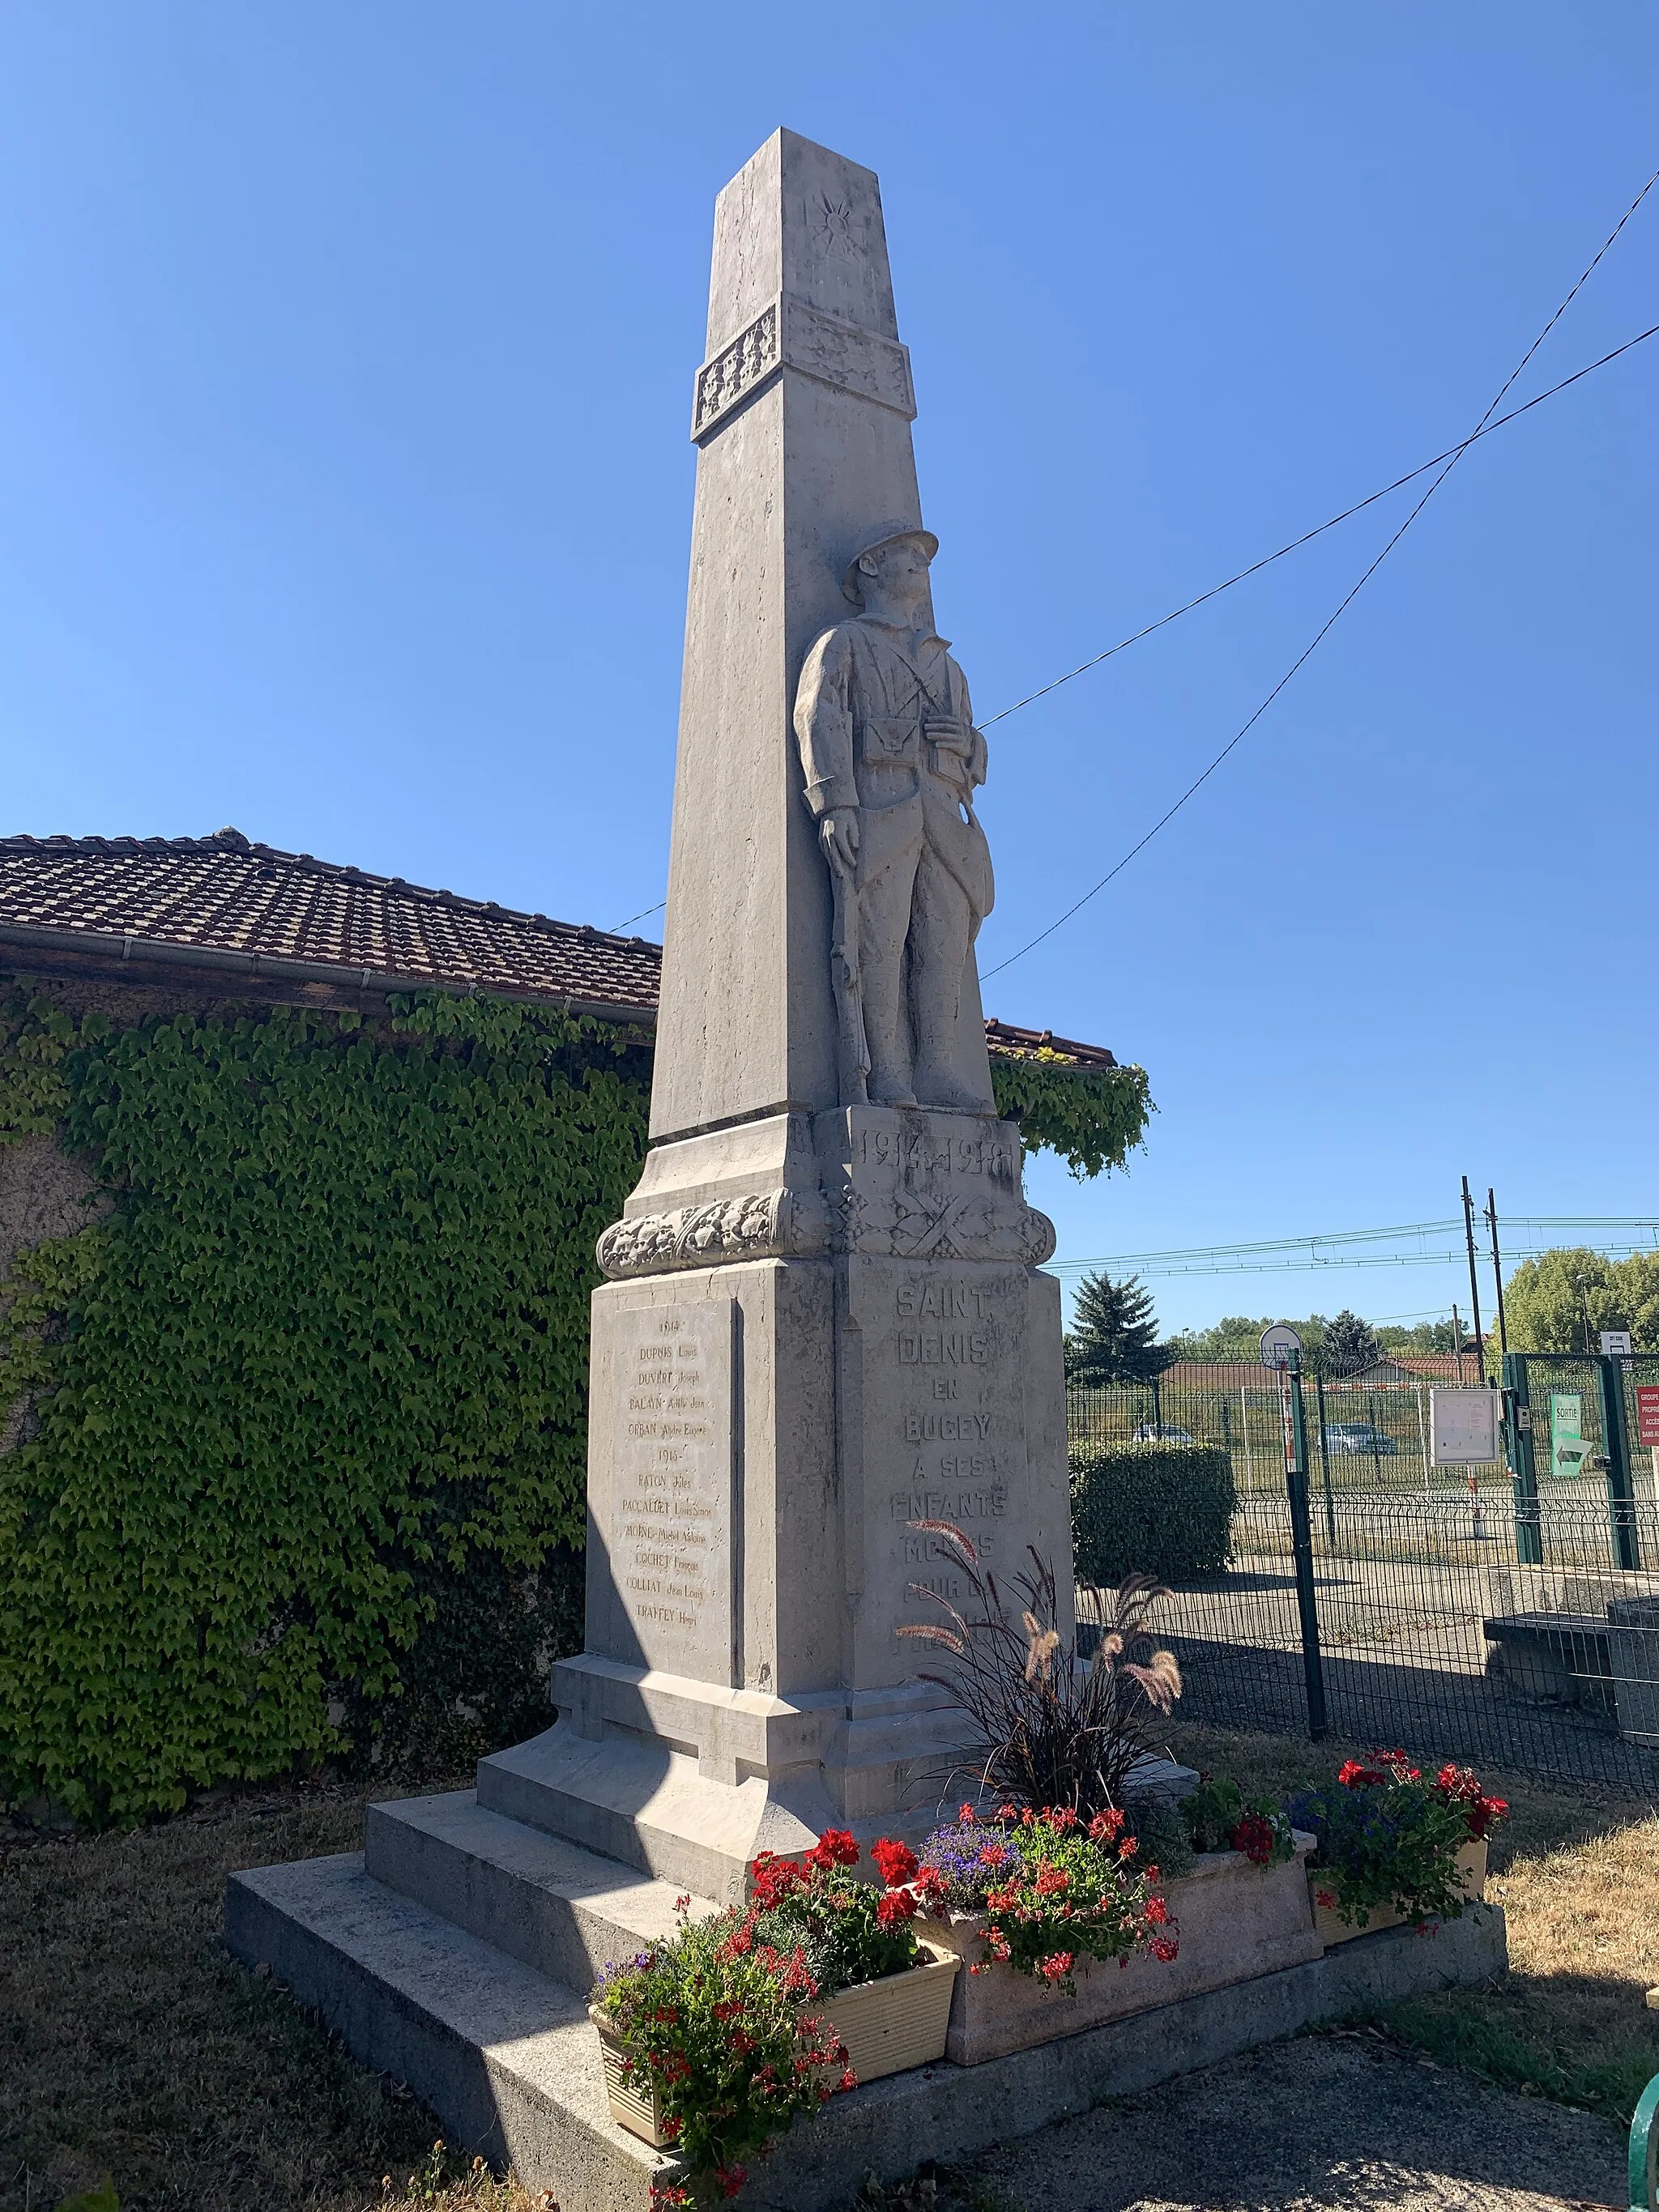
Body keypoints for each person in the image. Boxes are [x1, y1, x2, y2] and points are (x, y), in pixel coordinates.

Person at [792, 525, 994, 1110]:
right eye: (908, 554)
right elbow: (819, 715)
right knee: (881, 940)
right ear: (873, 567)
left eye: (925, 557)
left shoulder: (946, 666)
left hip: (944, 817)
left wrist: (971, 745)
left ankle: (935, 1066)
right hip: (883, 810)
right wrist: (834, 802)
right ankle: (887, 1072)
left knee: (944, 942)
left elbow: (975, 749)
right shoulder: (843, 642)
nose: (921, 562)